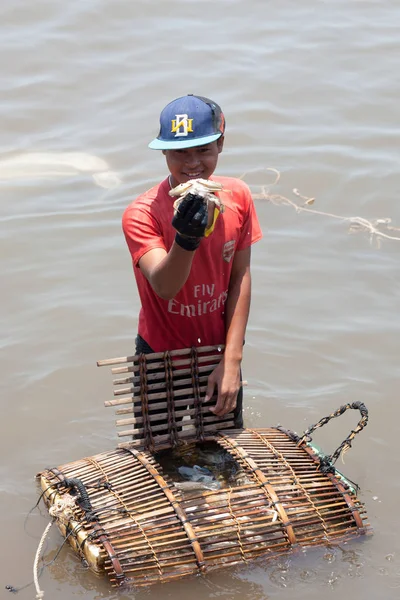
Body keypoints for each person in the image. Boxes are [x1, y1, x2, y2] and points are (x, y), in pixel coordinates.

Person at [122, 94, 262, 427]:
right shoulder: (141, 214)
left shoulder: (238, 195)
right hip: (160, 356)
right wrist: (186, 238)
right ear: (164, 153)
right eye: (180, 152)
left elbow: (240, 275)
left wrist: (232, 359)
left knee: (221, 453)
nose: (193, 163)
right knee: (160, 455)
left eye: (203, 150)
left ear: (221, 145)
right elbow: (165, 286)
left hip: (217, 352)